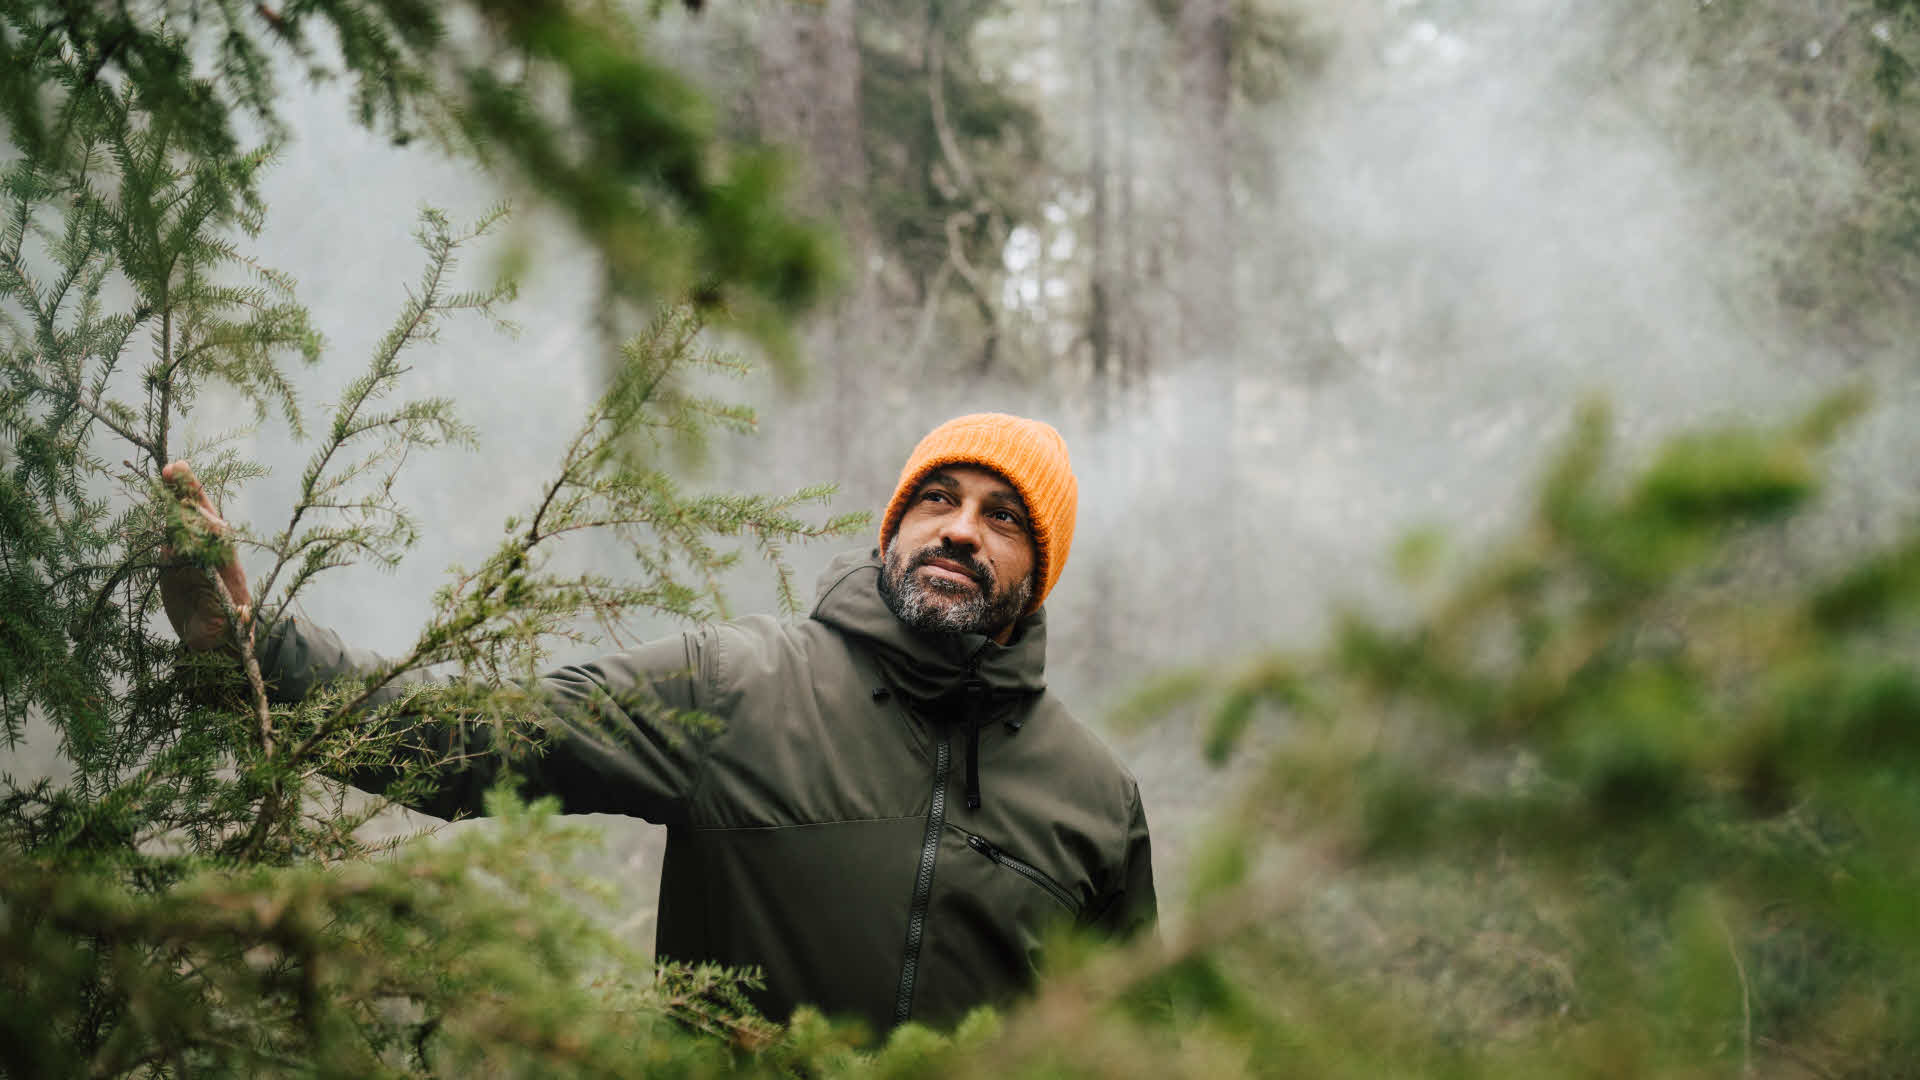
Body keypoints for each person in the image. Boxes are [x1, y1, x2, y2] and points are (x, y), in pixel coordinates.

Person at [161, 412, 1156, 1035]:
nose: (960, 529)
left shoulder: (1094, 800)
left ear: (1039, 573)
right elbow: (472, 739)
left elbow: (1136, 1044)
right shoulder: (739, 687)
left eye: (1003, 516)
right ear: (894, 526)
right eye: (937, 498)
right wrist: (250, 649)